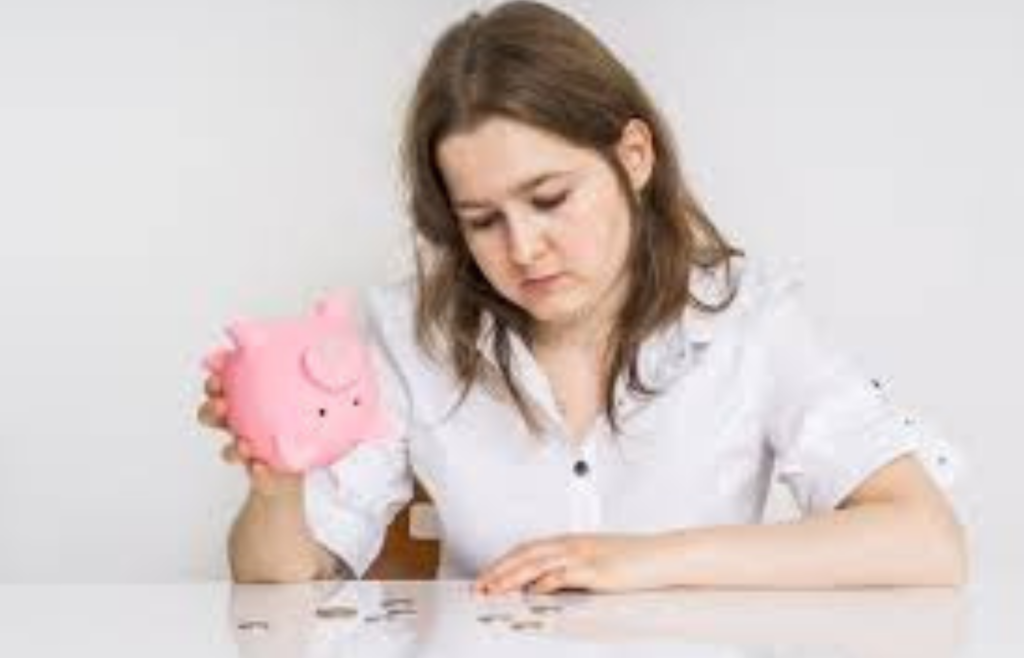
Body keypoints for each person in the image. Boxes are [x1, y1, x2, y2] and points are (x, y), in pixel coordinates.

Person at [197, 1, 967, 594]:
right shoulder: (406, 332)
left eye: (551, 198)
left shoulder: (748, 320)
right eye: (483, 221)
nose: (523, 249)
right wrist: (276, 487)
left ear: (633, 156)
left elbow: (927, 542)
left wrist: (642, 562)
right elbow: (280, 591)